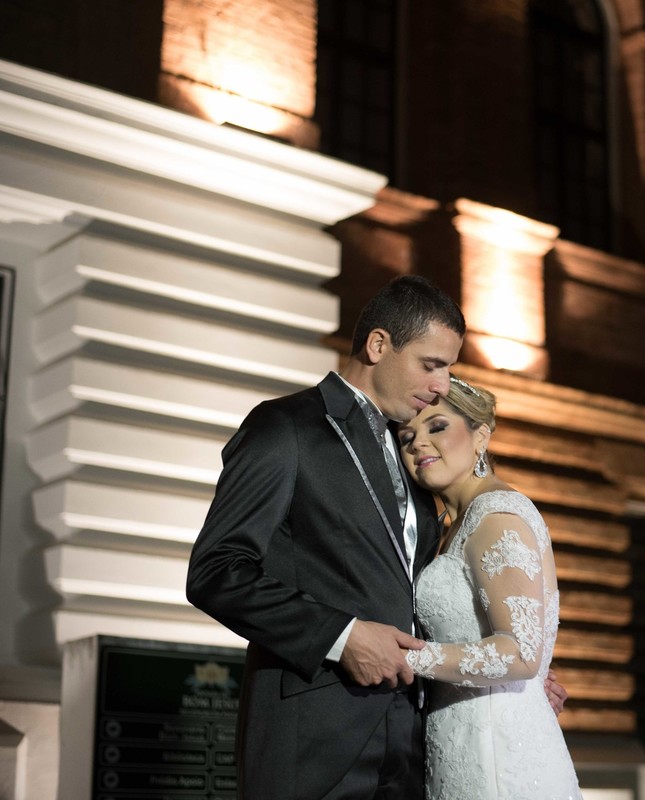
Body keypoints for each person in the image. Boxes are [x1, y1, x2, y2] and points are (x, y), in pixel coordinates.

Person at [186, 275, 565, 799]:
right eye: (431, 365)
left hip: (412, 742)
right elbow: (217, 571)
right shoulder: (285, 427)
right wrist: (344, 637)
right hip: (313, 736)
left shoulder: (415, 458)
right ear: (378, 344)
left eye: (449, 369)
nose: (441, 384)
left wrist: (507, 679)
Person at [398, 374, 582, 800]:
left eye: (437, 426)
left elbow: (520, 653)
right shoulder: (450, 526)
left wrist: (408, 657)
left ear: (480, 436)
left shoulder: (497, 515)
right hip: (459, 743)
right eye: (408, 435)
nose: (418, 444)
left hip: (500, 753)